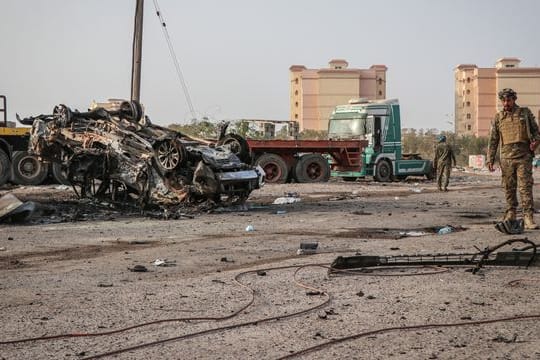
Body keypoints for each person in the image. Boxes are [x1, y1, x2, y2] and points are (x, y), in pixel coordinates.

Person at [487, 88, 540, 229]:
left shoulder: (525, 113)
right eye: (503, 100)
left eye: (508, 100)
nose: (506, 103)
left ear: (514, 99)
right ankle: (511, 213)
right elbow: (493, 140)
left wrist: (536, 142)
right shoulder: (498, 117)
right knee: (509, 188)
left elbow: (536, 132)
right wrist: (490, 159)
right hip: (506, 158)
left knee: (525, 188)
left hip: (524, 157)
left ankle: (528, 217)